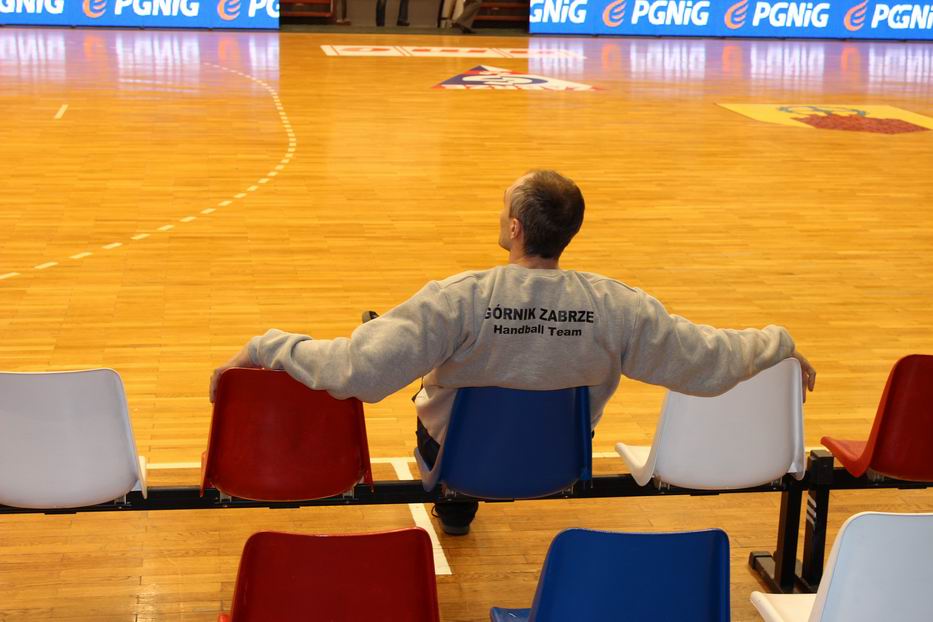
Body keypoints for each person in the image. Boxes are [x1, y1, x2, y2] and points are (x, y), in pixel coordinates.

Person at [209, 170, 816, 535]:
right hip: (560, 463)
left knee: (421, 371)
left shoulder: (458, 299)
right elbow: (708, 363)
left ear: (516, 229)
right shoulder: (619, 306)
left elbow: (357, 373)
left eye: (504, 208)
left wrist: (268, 345)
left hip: (456, 461)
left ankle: (456, 506)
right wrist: (778, 344)